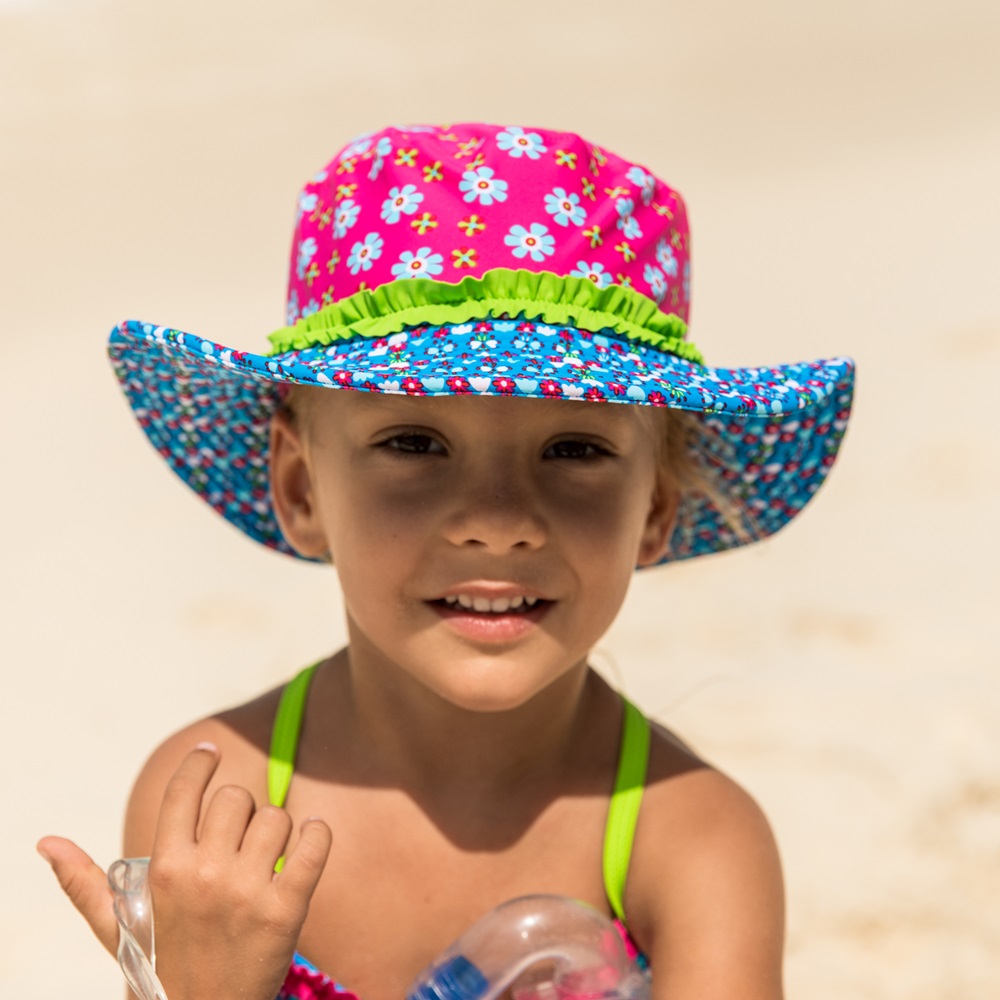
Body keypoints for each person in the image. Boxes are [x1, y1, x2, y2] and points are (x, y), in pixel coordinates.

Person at [37, 122, 854, 1000]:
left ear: (653, 508)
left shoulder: (691, 842)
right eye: (415, 441)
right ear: (303, 489)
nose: (498, 524)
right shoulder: (215, 804)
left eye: (574, 450)